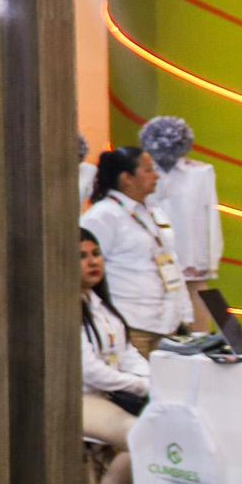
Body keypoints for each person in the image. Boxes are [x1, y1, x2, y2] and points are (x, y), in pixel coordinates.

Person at [80, 146, 190, 357]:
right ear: (127, 178)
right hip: (131, 323)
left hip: (168, 325)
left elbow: (172, 263)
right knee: (136, 378)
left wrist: (185, 313)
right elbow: (87, 272)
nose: (156, 176)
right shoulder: (103, 216)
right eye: (148, 170)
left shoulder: (155, 212)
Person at [79, 227, 147, 484]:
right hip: (82, 399)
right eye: (81, 257)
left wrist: (149, 379)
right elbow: (90, 371)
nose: (93, 262)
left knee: (166, 428)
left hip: (112, 395)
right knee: (143, 434)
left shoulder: (101, 304)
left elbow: (128, 353)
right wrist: (139, 385)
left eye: (96, 254)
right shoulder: (65, 308)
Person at [141, 116, 224, 331]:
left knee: (198, 302)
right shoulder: (142, 174)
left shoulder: (201, 172)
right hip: (153, 252)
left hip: (191, 254)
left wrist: (210, 259)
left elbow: (211, 216)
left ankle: (204, 342)